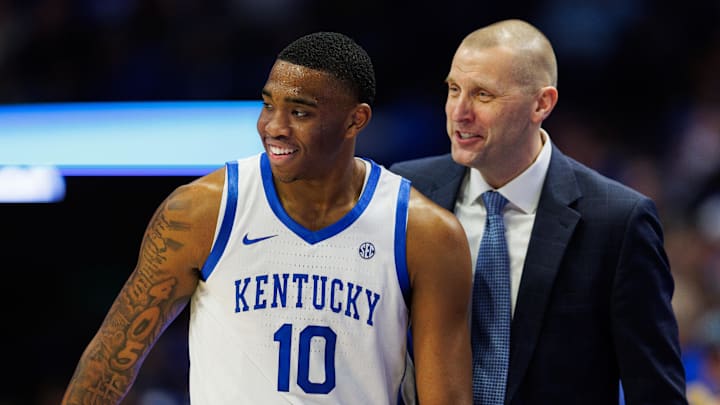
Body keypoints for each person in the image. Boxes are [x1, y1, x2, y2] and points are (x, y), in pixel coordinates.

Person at [61, 31, 473, 405]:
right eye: (268, 105)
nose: (274, 126)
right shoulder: (202, 212)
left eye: (300, 112)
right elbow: (109, 365)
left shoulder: (425, 235)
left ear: (356, 120)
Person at [390, 19, 688, 404]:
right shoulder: (407, 192)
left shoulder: (618, 221)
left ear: (541, 103)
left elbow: (656, 392)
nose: (459, 112)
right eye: (453, 89)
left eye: (482, 95)